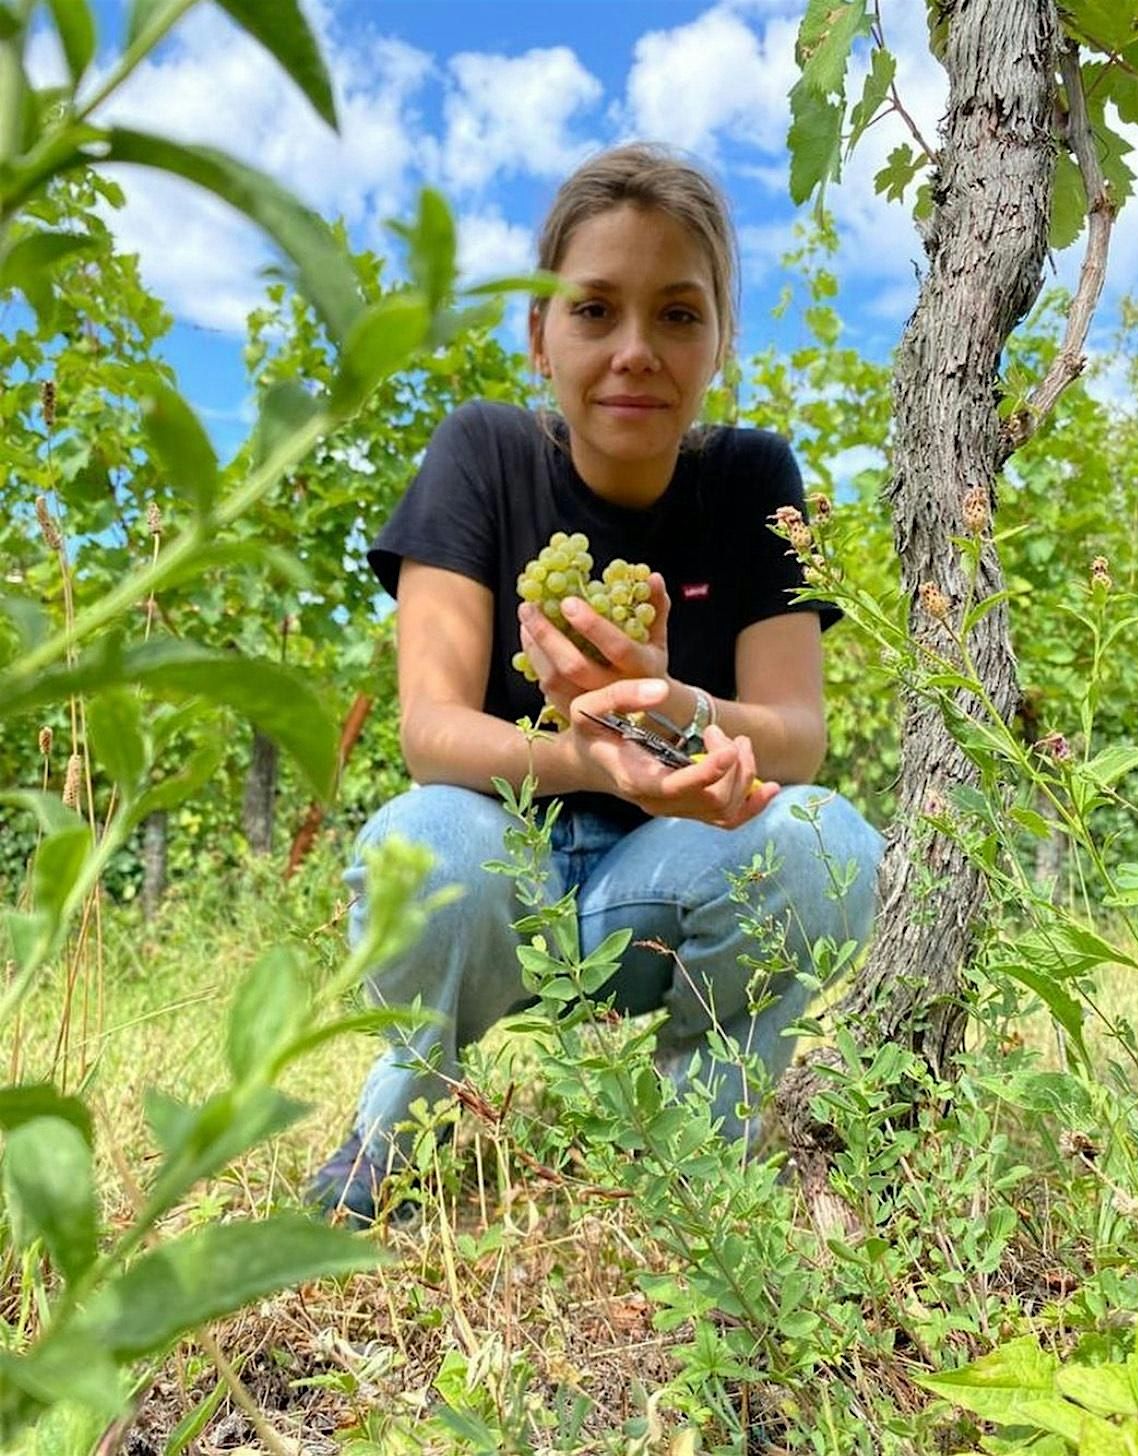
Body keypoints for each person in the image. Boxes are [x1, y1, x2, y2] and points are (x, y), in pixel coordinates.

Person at [308, 143, 884, 1226]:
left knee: (825, 839)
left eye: (677, 314)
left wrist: (668, 706)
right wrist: (586, 754)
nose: (635, 351)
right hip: (506, 872)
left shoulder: (755, 478)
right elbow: (431, 734)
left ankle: (699, 1159)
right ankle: (401, 1125)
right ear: (538, 337)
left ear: (719, 341)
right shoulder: (481, 454)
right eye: (592, 311)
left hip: (666, 881)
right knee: (420, 841)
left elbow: (797, 737)